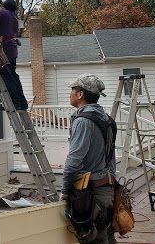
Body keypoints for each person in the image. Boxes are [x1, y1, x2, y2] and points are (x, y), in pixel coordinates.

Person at [61, 74, 116, 244]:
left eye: (72, 89)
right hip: (107, 188)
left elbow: (74, 160)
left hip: (90, 193)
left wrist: (64, 190)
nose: (69, 93)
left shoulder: (83, 121)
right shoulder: (107, 119)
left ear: (80, 94)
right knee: (106, 235)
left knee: (93, 239)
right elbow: (111, 158)